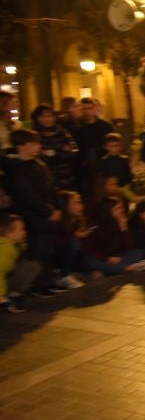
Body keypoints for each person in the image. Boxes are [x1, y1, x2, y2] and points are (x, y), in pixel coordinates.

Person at [0, 129, 65, 296]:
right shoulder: (17, 170)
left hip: (47, 212)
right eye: (33, 144)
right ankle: (37, 284)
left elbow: (51, 188)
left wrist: (56, 207)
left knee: (47, 249)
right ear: (21, 146)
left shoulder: (39, 164)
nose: (38, 147)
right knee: (37, 250)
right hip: (33, 216)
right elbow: (27, 196)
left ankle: (48, 280)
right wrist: (46, 211)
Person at [0, 214, 40, 313]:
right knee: (32, 267)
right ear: (10, 233)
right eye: (22, 229)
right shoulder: (6, 249)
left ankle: (12, 297)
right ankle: (11, 298)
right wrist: (1, 295)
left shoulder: (9, 244)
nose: (25, 232)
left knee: (27, 264)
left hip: (5, 279)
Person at [96, 133, 134, 203]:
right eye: (111, 146)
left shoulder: (125, 160)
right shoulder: (103, 161)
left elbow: (129, 176)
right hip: (109, 191)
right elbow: (101, 178)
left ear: (121, 146)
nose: (114, 148)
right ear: (105, 147)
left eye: (117, 146)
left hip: (124, 189)